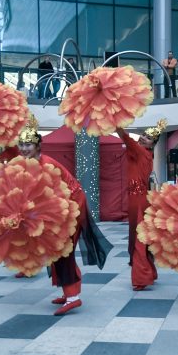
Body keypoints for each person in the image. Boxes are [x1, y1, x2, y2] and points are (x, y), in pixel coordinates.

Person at [17, 127, 110, 315]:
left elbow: (54, 193)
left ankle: (73, 297)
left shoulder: (45, 165)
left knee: (63, 249)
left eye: (28, 144)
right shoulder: (30, 163)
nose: (24, 148)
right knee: (56, 249)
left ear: (37, 146)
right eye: (22, 144)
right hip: (59, 206)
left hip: (72, 205)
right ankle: (69, 294)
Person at [115, 121, 161, 291]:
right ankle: (150, 271)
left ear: (153, 144)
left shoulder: (141, 152)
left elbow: (125, 137)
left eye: (148, 138)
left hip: (138, 200)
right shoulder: (146, 154)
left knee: (139, 238)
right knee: (141, 237)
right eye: (144, 134)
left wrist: (115, 119)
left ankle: (142, 277)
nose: (143, 138)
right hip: (138, 198)